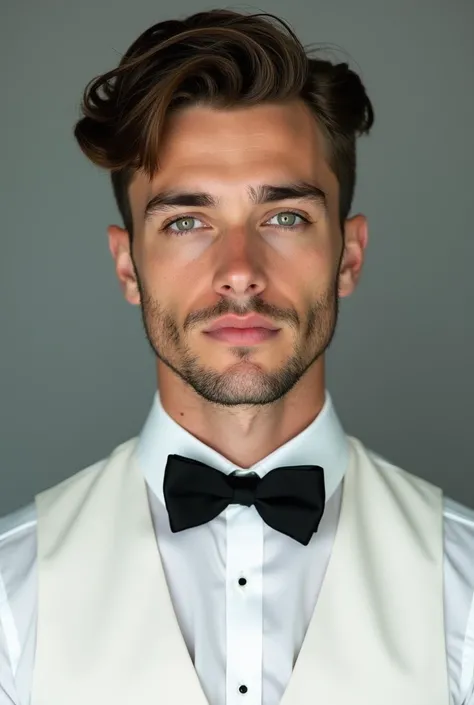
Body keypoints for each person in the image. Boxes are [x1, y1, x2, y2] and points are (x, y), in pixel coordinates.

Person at [0, 8, 473, 705]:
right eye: (187, 221)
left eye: (284, 217)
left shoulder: (464, 586)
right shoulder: (12, 592)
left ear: (350, 255)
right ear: (128, 266)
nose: (240, 270)